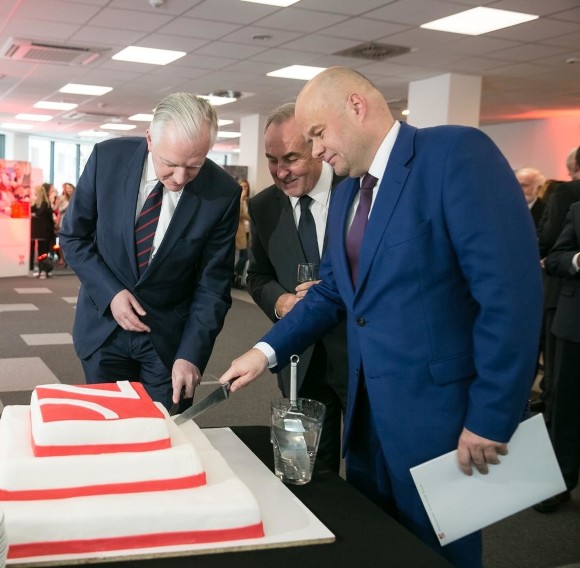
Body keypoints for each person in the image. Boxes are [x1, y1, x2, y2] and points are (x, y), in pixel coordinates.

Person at [219, 68, 541, 568]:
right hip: (369, 419)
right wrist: (265, 352)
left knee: (442, 554)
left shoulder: (455, 155)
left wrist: (491, 417)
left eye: (318, 134)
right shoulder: (349, 191)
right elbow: (331, 292)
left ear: (356, 106)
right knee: (381, 545)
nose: (317, 150)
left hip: (443, 422)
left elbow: (510, 298)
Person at [59, 92, 240, 410]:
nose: (181, 178)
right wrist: (111, 293)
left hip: (169, 342)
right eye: (170, 164)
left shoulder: (222, 193)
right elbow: (74, 237)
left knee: (165, 437)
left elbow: (213, 286)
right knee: (108, 433)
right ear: (150, 140)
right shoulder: (108, 159)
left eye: (194, 166)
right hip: (104, 330)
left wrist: (191, 355)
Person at [245, 102, 347, 474]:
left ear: (316, 149)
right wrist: (283, 302)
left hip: (359, 354)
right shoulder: (263, 206)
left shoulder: (354, 190)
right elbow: (256, 276)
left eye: (291, 158)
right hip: (301, 359)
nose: (280, 172)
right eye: (272, 160)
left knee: (371, 471)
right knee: (307, 469)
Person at [540, 200, 580, 513]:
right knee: (565, 408)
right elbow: (554, 259)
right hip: (574, 325)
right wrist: (577, 259)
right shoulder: (577, 210)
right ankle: (559, 483)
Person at [30, 182, 55, 278]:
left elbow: (38, 214)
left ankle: (43, 270)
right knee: (41, 253)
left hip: (44, 233)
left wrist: (34, 214)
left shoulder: (45, 203)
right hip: (39, 232)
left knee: (43, 252)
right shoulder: (37, 203)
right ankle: (41, 270)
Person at [232, 179, 250, 289]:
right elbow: (242, 214)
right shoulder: (237, 200)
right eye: (241, 186)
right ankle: (235, 275)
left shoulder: (249, 200)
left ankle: (237, 277)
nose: (244, 189)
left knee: (245, 255)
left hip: (249, 232)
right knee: (243, 255)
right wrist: (241, 199)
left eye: (246, 187)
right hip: (239, 232)